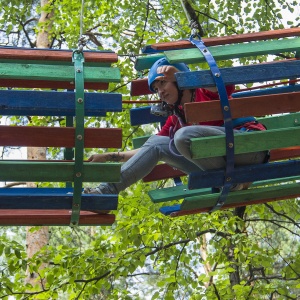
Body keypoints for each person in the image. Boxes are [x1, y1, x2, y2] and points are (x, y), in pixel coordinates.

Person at [84, 58, 268, 195]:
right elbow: (147, 150)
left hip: (249, 147)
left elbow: (225, 85)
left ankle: (230, 180)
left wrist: (185, 77)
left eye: (163, 83)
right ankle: (105, 192)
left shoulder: (205, 92)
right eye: (156, 89)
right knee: (158, 144)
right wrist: (109, 156)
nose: (160, 91)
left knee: (182, 137)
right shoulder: (176, 120)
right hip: (224, 167)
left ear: (179, 82)